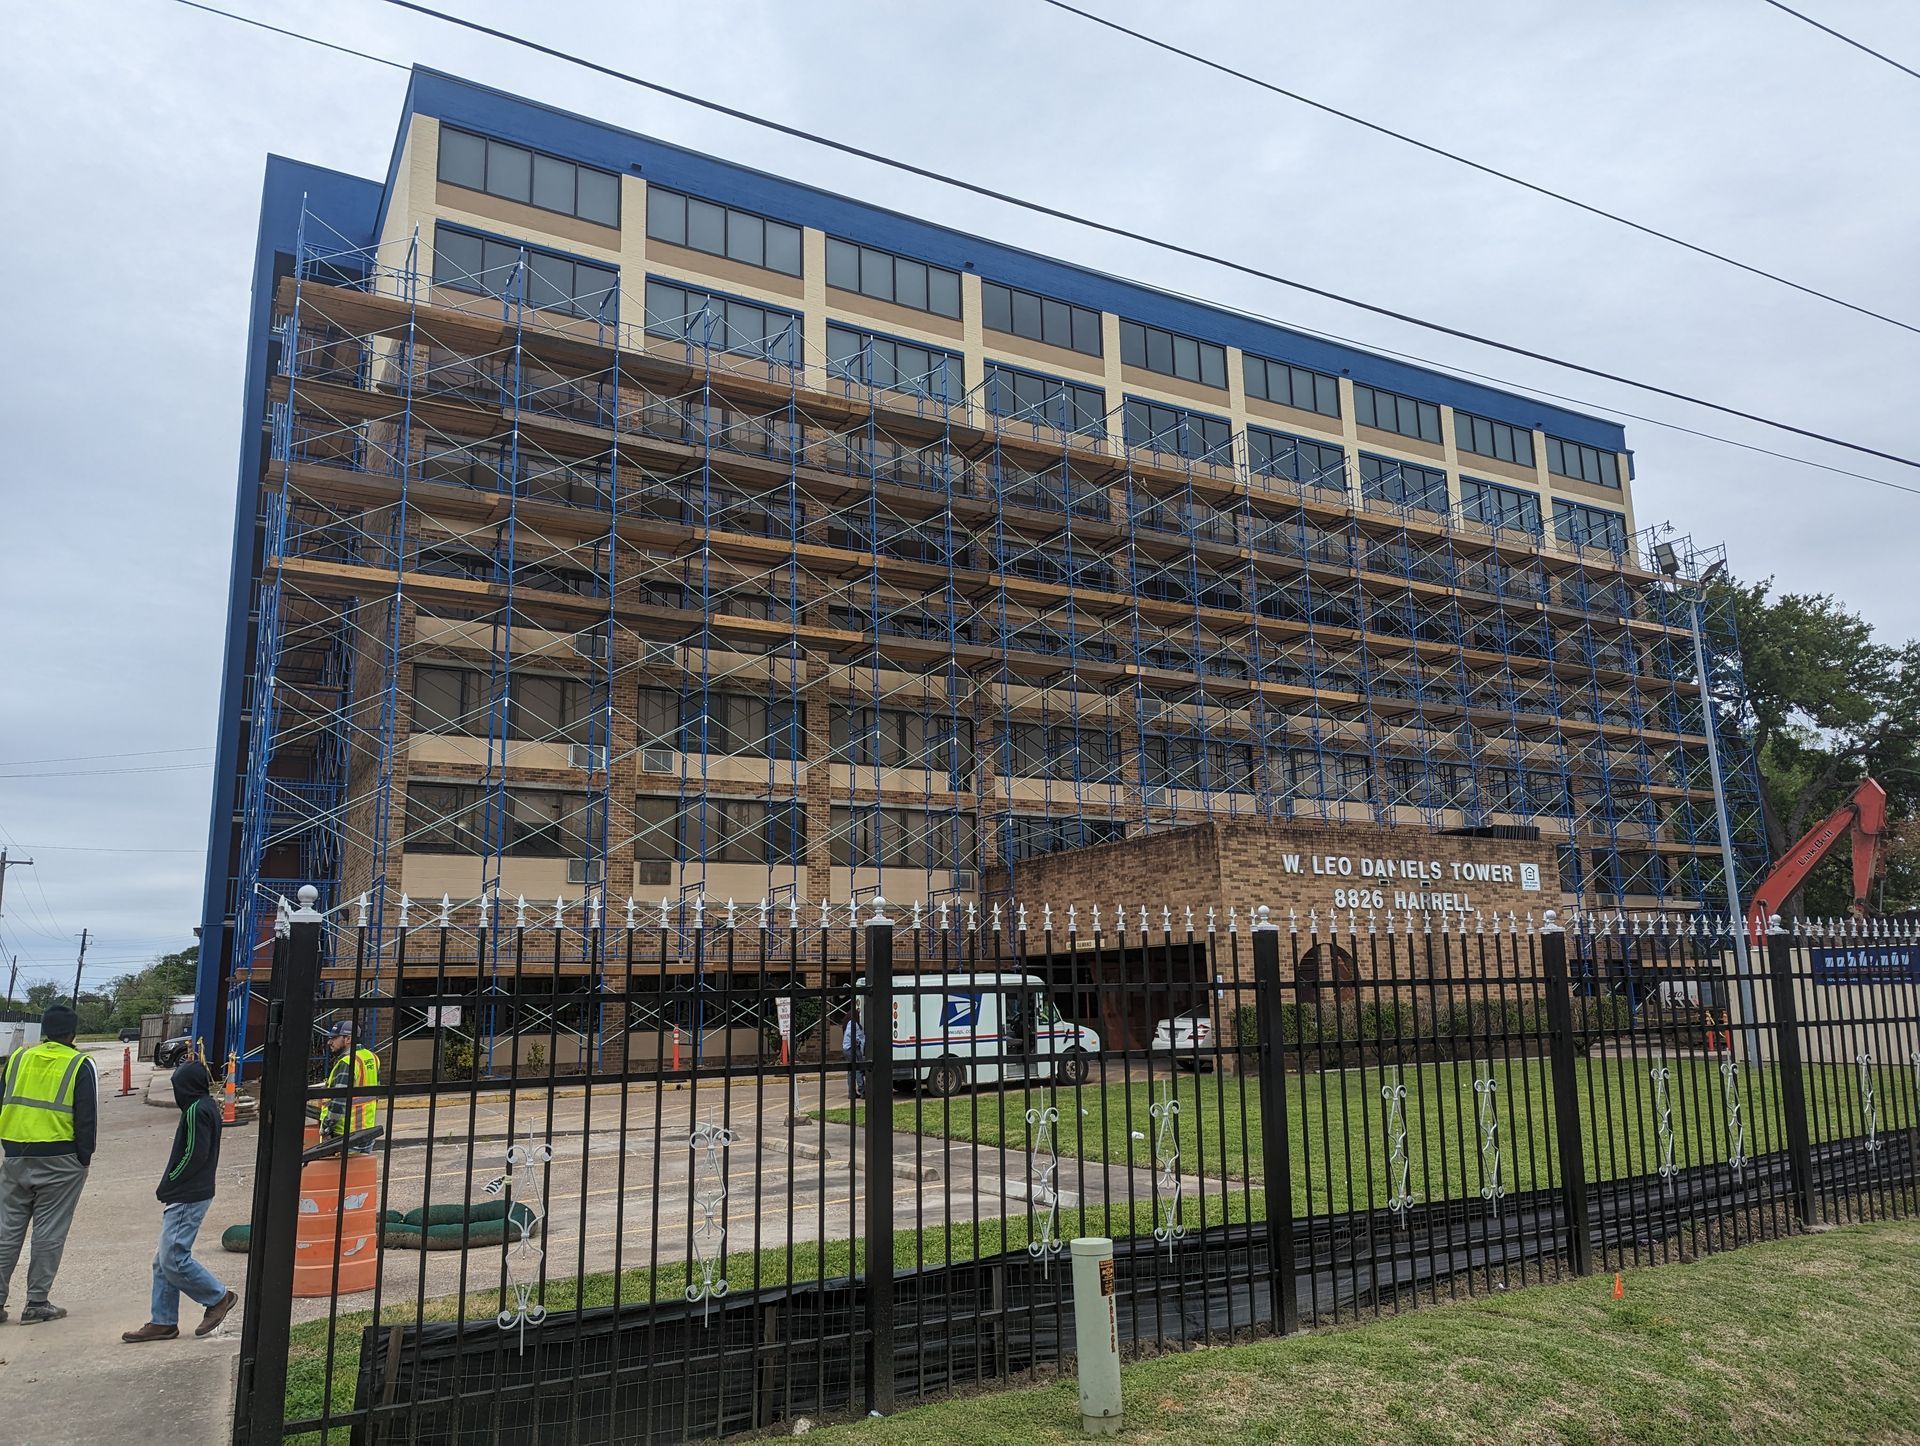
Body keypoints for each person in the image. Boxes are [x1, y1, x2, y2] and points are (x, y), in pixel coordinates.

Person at [122, 1061, 237, 1342]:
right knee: (162, 1261)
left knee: (174, 1257)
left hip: (189, 1194)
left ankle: (218, 1297)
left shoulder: (197, 1111)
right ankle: (163, 1321)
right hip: (191, 1192)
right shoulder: (202, 1106)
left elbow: (194, 1154)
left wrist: (172, 1182)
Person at [0, 1003, 97, 1324]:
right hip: (60, 1158)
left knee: (6, 1231)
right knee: (49, 1231)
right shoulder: (79, 1063)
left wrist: (9, 1145)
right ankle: (36, 1303)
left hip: (15, 1154)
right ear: (73, 1033)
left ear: (43, 1030)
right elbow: (86, 1118)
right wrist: (84, 1159)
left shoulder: (17, 1059)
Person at [318, 1021, 381, 1148]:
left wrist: (327, 1127)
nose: (329, 1042)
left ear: (348, 1039)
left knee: (343, 1167)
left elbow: (339, 1101)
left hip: (346, 1132)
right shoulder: (372, 1057)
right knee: (361, 1166)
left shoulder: (347, 1062)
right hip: (367, 1129)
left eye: (334, 1038)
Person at [841, 1009, 865, 1101]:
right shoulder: (853, 1023)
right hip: (852, 1048)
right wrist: (857, 1041)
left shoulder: (849, 1023)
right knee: (858, 1069)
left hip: (847, 1049)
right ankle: (862, 1090)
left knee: (851, 1071)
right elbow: (851, 1034)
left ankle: (851, 1093)